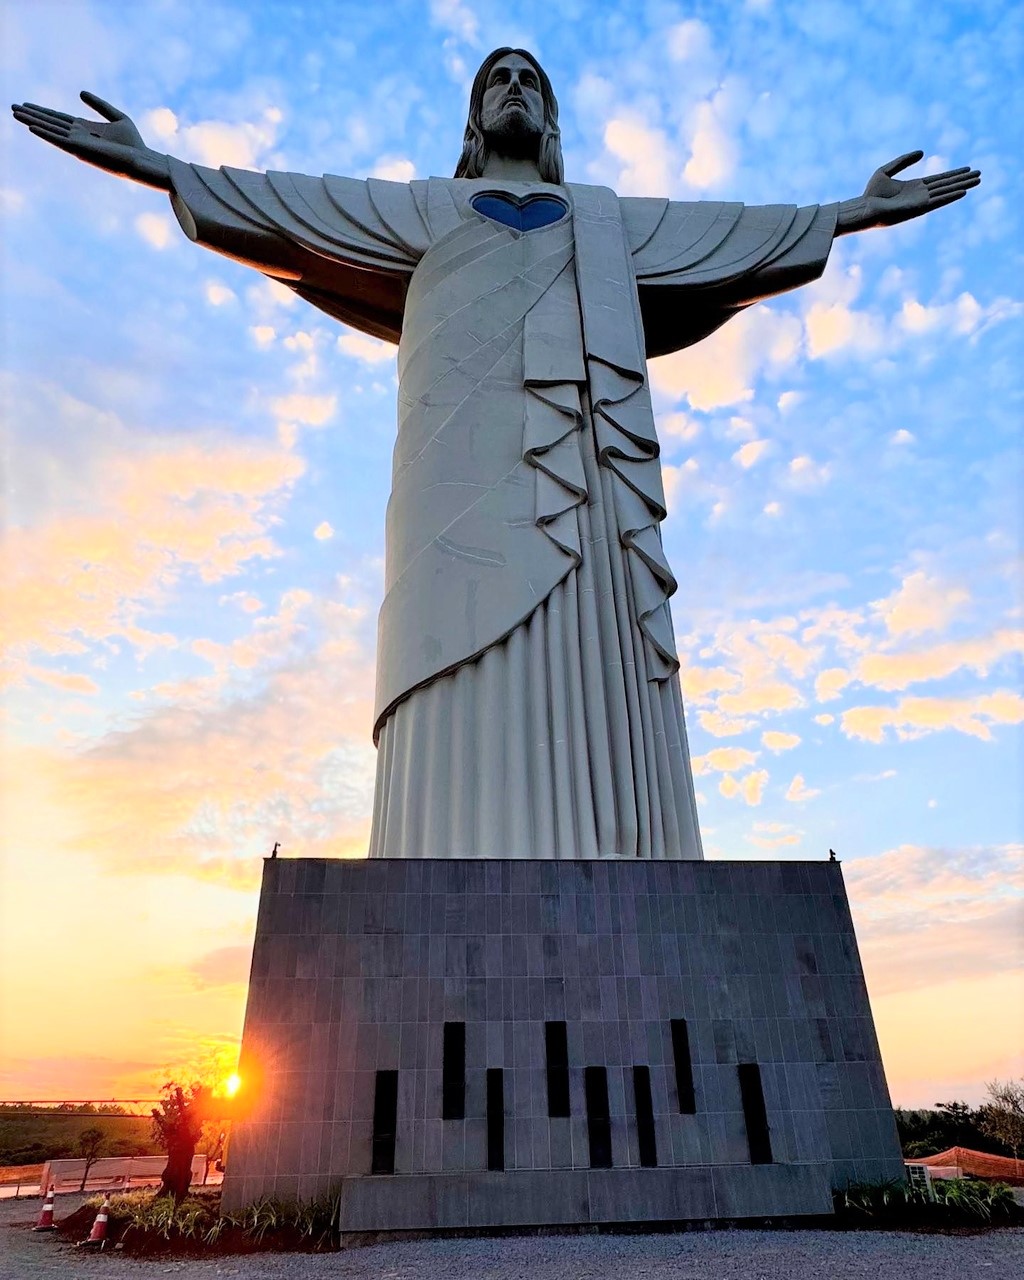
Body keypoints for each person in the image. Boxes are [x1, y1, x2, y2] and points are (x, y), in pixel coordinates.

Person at [12, 50, 979, 861]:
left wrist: (852, 214)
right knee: (448, 664)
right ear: (476, 116)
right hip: (451, 490)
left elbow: (728, 234)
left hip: (587, 488)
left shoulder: (604, 218)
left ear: (549, 116)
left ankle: (627, 851)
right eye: (496, 81)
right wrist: (158, 168)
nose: (513, 88)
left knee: (602, 659)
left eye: (531, 82)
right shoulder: (430, 208)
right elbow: (292, 208)